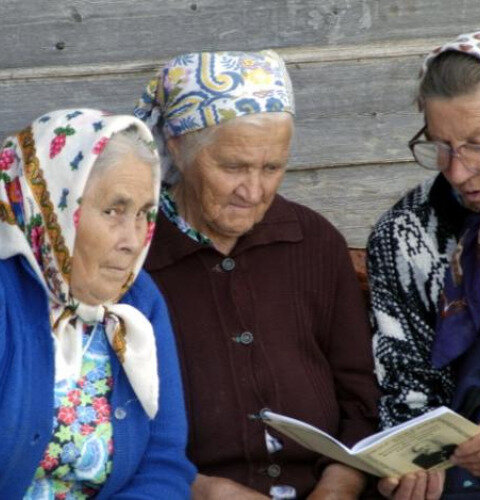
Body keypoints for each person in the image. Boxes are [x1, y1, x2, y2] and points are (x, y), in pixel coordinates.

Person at [134, 50, 380, 498]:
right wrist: (201, 490)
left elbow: (359, 393)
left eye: (272, 168)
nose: (254, 191)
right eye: (233, 167)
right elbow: (107, 418)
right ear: (177, 146)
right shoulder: (133, 254)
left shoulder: (313, 241)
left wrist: (342, 483)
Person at [0, 109, 195, 498]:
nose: (133, 240)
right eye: (113, 211)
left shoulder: (139, 301)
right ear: (52, 207)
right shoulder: (7, 295)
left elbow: (164, 461)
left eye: (143, 214)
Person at [367, 27, 480, 499]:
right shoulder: (405, 234)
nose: (458, 172)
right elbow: (406, 388)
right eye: (441, 147)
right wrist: (401, 469)